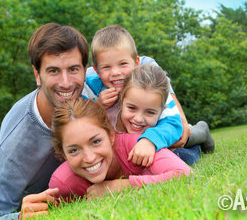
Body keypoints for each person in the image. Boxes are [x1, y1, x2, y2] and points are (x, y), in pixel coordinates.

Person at [0, 23, 89, 220]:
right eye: (53, 71)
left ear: (85, 70)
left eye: (73, 69)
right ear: (37, 75)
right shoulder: (17, 139)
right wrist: (20, 216)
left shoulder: (92, 90)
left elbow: (139, 66)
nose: (66, 82)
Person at [84, 25, 214, 166]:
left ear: (136, 63)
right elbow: (81, 119)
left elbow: (173, 122)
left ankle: (201, 133)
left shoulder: (148, 84)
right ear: (96, 70)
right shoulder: (92, 89)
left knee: (182, 152)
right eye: (106, 67)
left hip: (165, 135)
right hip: (134, 143)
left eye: (123, 64)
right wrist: (98, 107)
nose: (115, 72)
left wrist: (150, 140)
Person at [49, 98, 193, 201]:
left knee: (188, 154)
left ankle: (200, 132)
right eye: (74, 150)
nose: (90, 158)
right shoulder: (62, 184)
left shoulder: (137, 146)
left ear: (112, 136)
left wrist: (125, 185)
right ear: (63, 154)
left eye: (96, 142)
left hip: (172, 148)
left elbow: (186, 175)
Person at [115, 63, 210, 165]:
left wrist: (150, 140)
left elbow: (173, 126)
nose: (138, 119)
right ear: (121, 101)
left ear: (162, 110)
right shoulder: (111, 112)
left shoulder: (168, 115)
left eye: (150, 112)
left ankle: (202, 131)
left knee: (184, 157)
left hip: (178, 138)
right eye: (132, 108)